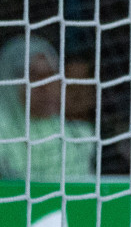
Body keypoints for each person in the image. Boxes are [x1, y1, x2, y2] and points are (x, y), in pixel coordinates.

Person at [0, 36, 96, 180]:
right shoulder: (3, 138)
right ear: (11, 83)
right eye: (34, 76)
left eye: (51, 75)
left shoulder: (79, 138)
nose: (46, 86)